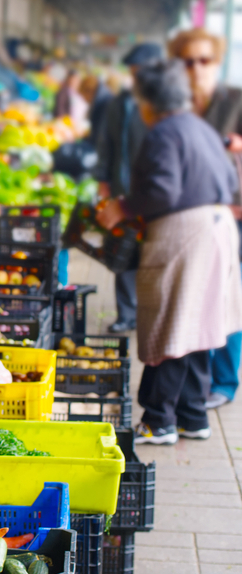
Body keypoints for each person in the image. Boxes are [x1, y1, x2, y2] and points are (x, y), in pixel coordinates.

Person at [96, 60, 242, 445]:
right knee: (198, 324)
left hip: (185, 233)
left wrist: (123, 208)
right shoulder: (202, 128)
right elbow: (230, 180)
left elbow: (163, 191)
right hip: (218, 227)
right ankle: (193, 416)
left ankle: (159, 420)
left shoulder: (163, 133)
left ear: (147, 102)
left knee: (170, 322)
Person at [169, 27, 242, 409]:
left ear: (216, 61)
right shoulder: (177, 104)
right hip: (189, 215)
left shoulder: (235, 100)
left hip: (233, 211)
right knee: (195, 296)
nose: (196, 68)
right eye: (187, 61)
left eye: (204, 60)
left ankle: (225, 382)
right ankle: (194, 386)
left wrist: (235, 143)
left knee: (227, 295)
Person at [94, 43, 164, 334]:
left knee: (152, 256)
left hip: (153, 193)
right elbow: (106, 143)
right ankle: (126, 314)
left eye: (140, 72)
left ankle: (151, 315)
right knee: (122, 251)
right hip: (123, 191)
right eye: (133, 73)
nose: (135, 79)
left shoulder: (164, 104)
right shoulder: (119, 102)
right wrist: (103, 179)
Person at [79, 74, 113, 145]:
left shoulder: (103, 103)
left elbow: (100, 134)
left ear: (89, 91)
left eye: (83, 96)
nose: (84, 100)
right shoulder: (103, 99)